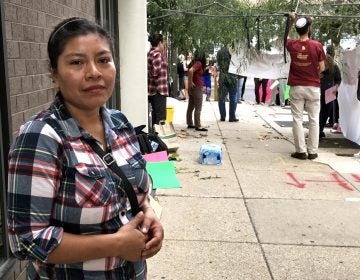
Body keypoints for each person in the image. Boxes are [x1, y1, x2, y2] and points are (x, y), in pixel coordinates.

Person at [7, 17, 164, 279]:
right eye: (77, 62)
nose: (94, 72)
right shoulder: (41, 137)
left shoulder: (121, 123)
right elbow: (26, 239)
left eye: (103, 60)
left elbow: (135, 194)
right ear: (54, 73)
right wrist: (116, 244)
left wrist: (149, 215)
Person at [285, 13, 326, 160]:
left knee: (297, 119)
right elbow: (322, 68)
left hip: (296, 87)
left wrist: (291, 20)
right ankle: (313, 151)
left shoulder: (292, 45)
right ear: (308, 29)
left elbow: (286, 37)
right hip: (313, 87)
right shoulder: (317, 46)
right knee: (314, 119)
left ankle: (301, 151)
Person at [319, 49, 341, 139]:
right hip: (318, 91)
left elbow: (338, 79)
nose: (325, 67)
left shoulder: (335, 67)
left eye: (326, 66)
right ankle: (318, 130)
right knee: (318, 112)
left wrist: (336, 87)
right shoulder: (318, 66)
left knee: (326, 112)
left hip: (330, 91)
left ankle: (320, 129)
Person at [148, 33, 169, 126]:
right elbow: (155, 72)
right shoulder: (156, 54)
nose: (163, 45)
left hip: (154, 90)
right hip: (158, 91)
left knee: (156, 116)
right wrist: (159, 90)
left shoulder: (151, 53)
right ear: (160, 42)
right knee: (161, 118)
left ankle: (154, 137)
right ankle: (159, 138)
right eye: (163, 42)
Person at [186, 49, 208, 131]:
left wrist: (190, 83)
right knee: (198, 107)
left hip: (192, 88)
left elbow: (191, 71)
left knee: (190, 106)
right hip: (197, 87)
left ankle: (189, 123)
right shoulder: (198, 63)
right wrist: (191, 82)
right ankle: (198, 125)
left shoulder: (193, 62)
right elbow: (191, 71)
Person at [216, 47, 238, 122]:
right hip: (232, 76)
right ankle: (232, 116)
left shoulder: (219, 52)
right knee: (233, 97)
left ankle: (222, 116)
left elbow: (218, 65)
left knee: (221, 97)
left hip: (223, 76)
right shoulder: (234, 51)